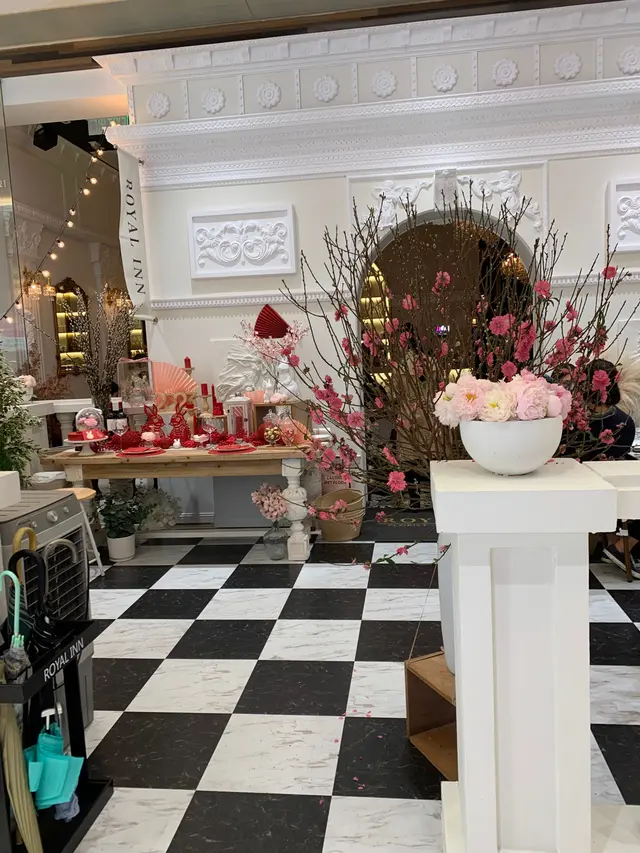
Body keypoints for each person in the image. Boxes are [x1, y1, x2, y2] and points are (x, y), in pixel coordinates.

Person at [578, 359, 639, 575]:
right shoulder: (624, 423)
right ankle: (621, 547)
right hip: (607, 487)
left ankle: (619, 546)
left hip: (584, 485)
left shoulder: (570, 421)